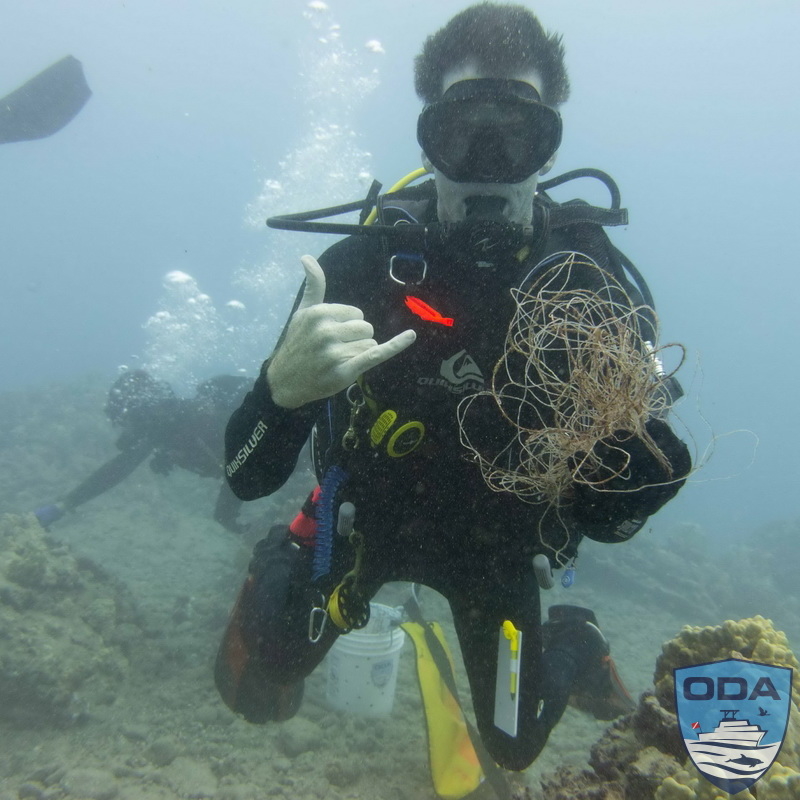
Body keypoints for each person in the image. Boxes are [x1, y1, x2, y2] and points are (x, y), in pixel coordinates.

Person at [215, 2, 693, 774]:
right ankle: (292, 553)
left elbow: (606, 522)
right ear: (428, 138)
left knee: (512, 747)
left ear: (548, 146)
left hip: (499, 551)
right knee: (261, 669)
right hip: (363, 522)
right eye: (462, 133)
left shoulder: (590, 289)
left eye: (518, 135)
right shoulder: (358, 270)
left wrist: (642, 466)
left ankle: (573, 636)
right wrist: (280, 395)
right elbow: (245, 476)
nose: (487, 162)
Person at [33, 370, 251, 535]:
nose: (128, 433)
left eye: (129, 422)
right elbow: (116, 470)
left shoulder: (199, 420)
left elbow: (242, 461)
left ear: (144, 413)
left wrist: (225, 514)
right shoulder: (163, 432)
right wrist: (65, 504)